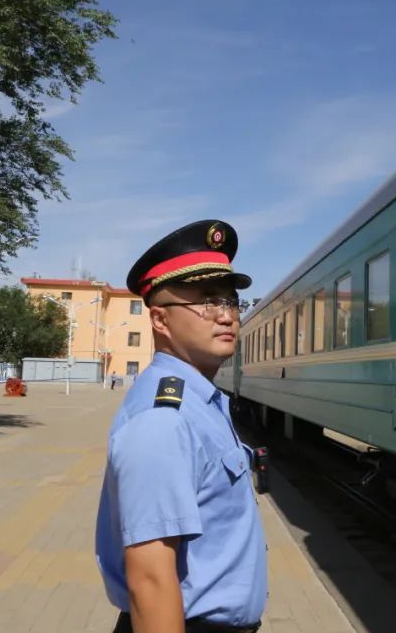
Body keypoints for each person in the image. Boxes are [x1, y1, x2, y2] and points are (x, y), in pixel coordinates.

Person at [95, 219, 267, 633]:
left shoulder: (199, 402)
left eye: (230, 301)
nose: (226, 316)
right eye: (206, 301)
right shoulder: (164, 420)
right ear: (160, 320)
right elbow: (151, 582)